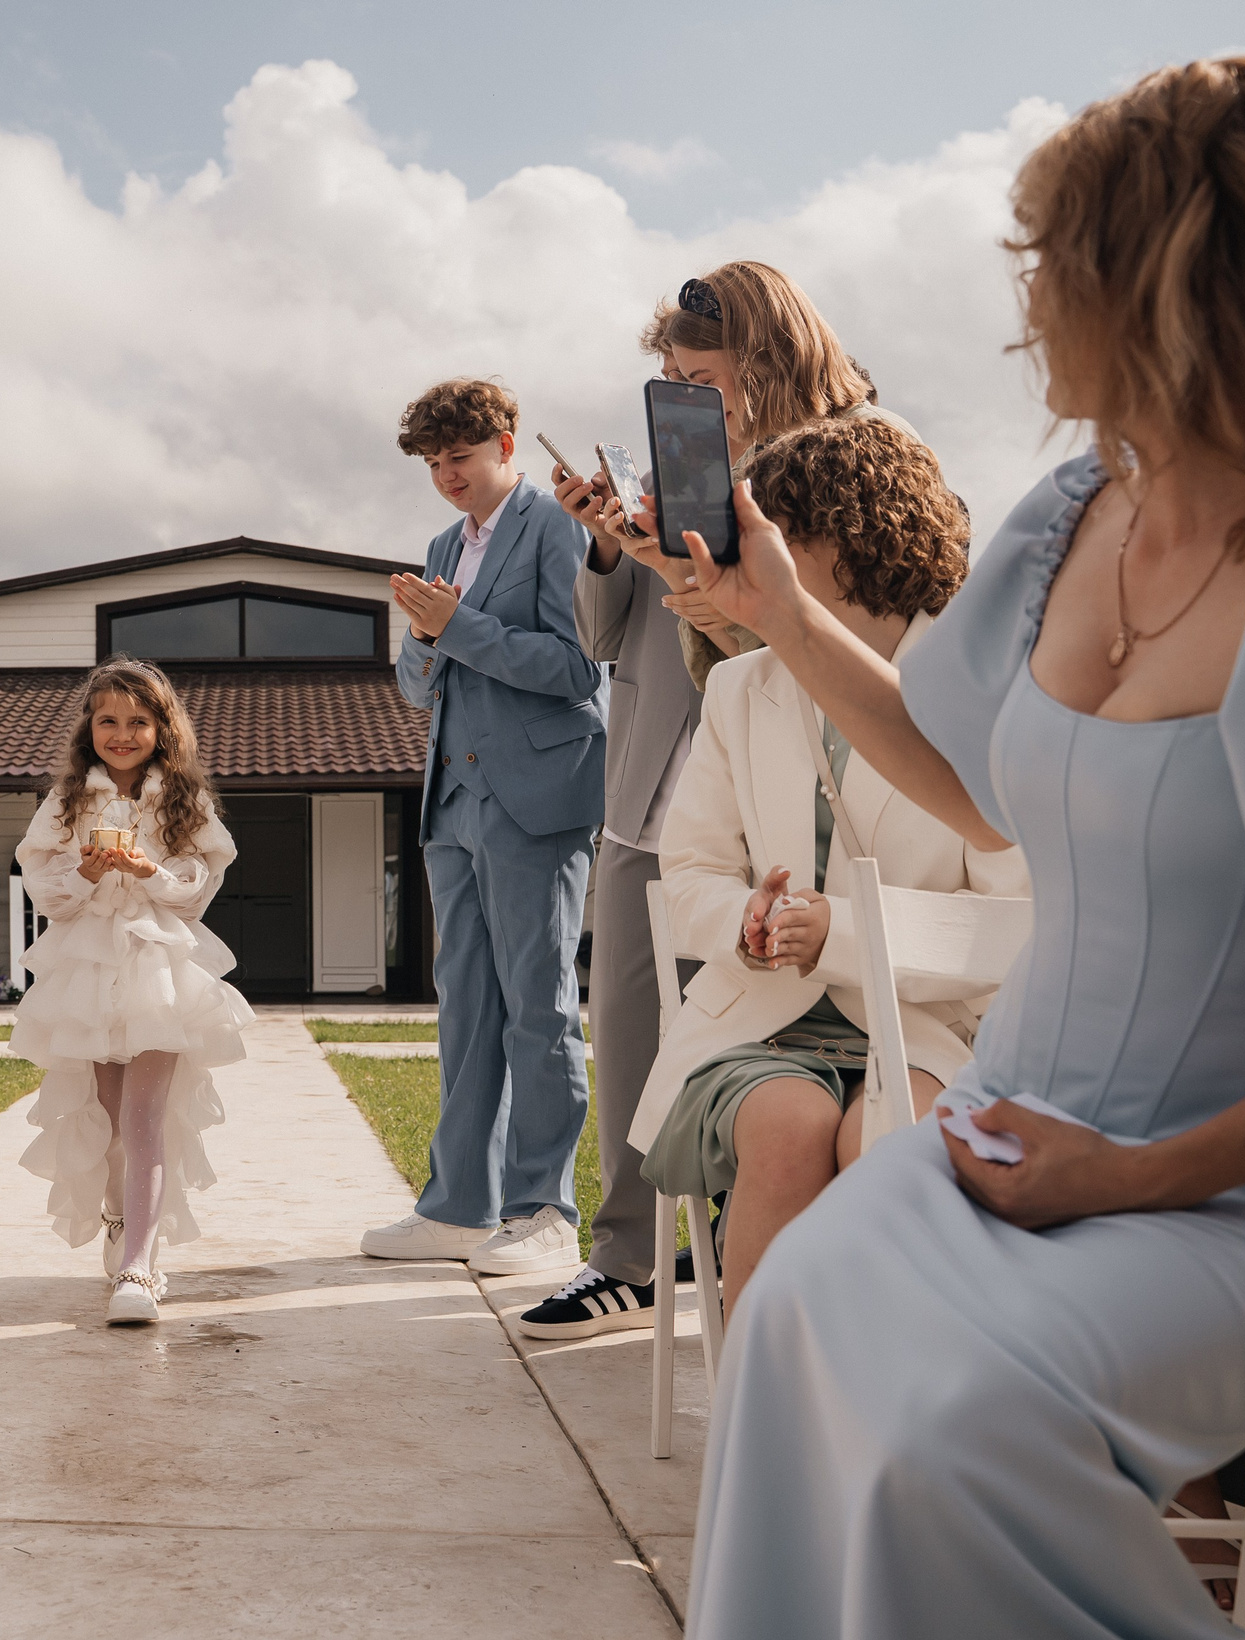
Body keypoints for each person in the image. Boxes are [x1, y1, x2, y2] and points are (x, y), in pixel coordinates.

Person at [674, 57, 1245, 1640]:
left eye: (1055, 256)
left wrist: (1141, 1179)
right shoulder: (1073, 510)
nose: (1027, 298)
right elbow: (981, 793)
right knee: (789, 1327)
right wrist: (783, 612)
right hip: (1012, 1127)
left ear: (1171, 281)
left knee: (958, 1437)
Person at [529, 261, 917, 1335]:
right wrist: (616, 547)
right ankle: (630, 1259)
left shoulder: (859, 470)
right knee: (630, 1026)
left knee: (771, 1029)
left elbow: (832, 655)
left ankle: (751, 1266)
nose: (682, 392)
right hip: (658, 783)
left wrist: (711, 594)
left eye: (696, 372)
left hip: (809, 802)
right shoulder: (684, 470)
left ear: (762, 358)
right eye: (669, 375)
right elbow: (607, 640)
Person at [620, 415, 1027, 1306]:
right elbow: (689, 874)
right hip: (756, 1018)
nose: (747, 551)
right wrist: (748, 921)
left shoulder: (986, 695)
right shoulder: (738, 684)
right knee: (788, 1124)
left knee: (888, 1136)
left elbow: (1021, 926)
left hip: (928, 1022)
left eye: (776, 529)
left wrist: (841, 933)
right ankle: (763, 1425)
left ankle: (875, 1414)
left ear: (852, 533)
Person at [360, 379, 605, 1276]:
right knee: (465, 1009)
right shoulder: (440, 545)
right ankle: (459, 1206)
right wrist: (427, 643)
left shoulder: (556, 526)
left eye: (459, 457)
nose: (445, 476)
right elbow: (419, 686)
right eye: (432, 463)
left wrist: (455, 626)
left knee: (539, 1008)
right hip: (451, 802)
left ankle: (544, 1210)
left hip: (537, 796)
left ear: (507, 446)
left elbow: (579, 668)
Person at [11, 658, 255, 1325]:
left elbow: (198, 891)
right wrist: (88, 873)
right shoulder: (66, 803)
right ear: (90, 727)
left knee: (147, 1118)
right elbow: (50, 895)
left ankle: (141, 1267)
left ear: (162, 729)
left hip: (159, 970)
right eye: (108, 720)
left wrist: (148, 869)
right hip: (89, 973)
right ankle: (121, 1219)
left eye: (138, 721)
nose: (122, 733)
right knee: (113, 1119)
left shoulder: (183, 802)